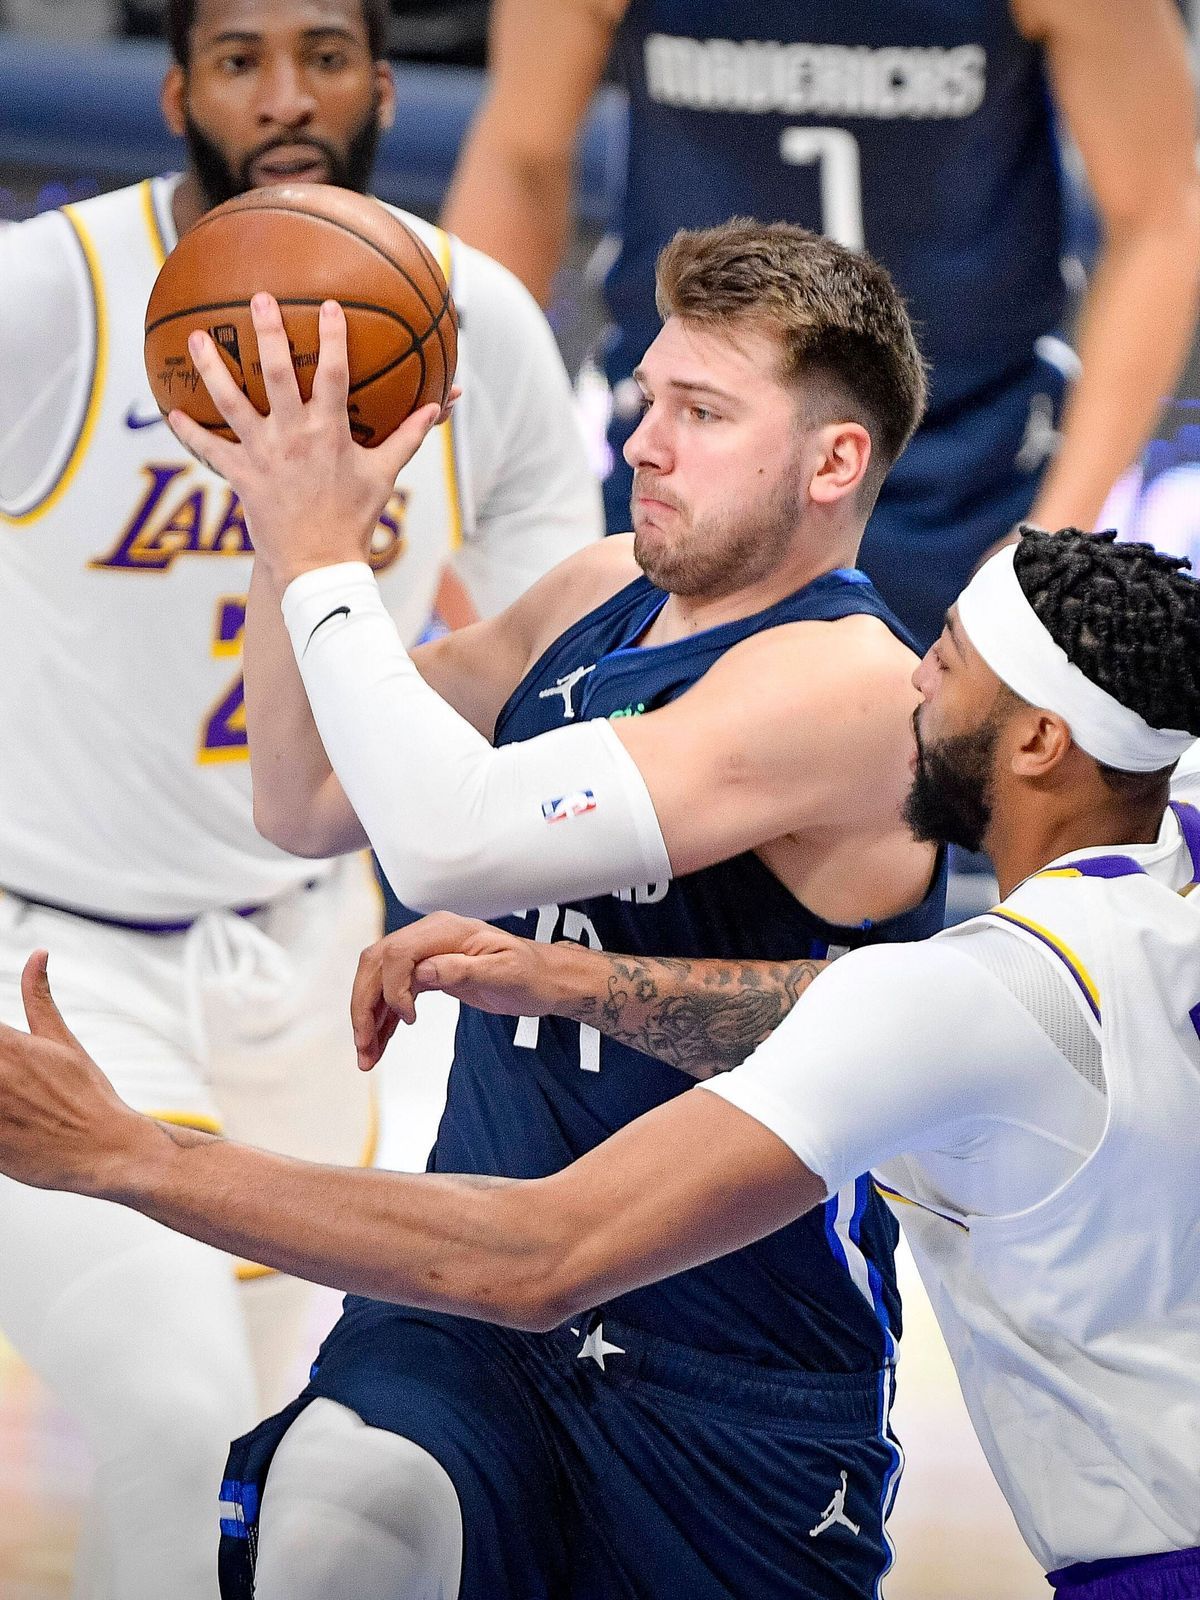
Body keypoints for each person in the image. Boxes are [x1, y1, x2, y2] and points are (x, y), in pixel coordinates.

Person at [0, 530, 1196, 1599]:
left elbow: (537, 1256)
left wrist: (130, 1156)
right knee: (337, 1520)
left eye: (949, 655)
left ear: (1042, 739)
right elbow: (851, 1008)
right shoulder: (1169, 865)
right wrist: (570, 979)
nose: (913, 674)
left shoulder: (976, 996)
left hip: (1148, 1551)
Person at [167, 219, 947, 1597]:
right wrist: (282, 533)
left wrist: (330, 557)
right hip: (466, 1295)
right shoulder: (599, 592)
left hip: (736, 1365)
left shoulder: (851, 684)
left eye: (702, 413)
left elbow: (452, 843)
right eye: (649, 398)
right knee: (341, 1511)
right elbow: (299, 800)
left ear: (834, 462)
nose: (645, 441)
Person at [0, 0, 600, 1594]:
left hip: (320, 957)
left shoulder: (470, 321)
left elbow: (570, 658)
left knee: (312, 1450)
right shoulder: (47, 296)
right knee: (175, 1406)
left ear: (386, 87)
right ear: (180, 86)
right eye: (243, 57)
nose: (286, 95)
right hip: (53, 952)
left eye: (326, 54)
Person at [441, 0, 1200, 648]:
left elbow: (1161, 214)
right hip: (676, 469)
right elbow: (521, 157)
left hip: (962, 492)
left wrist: (1049, 541)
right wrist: (449, 478)